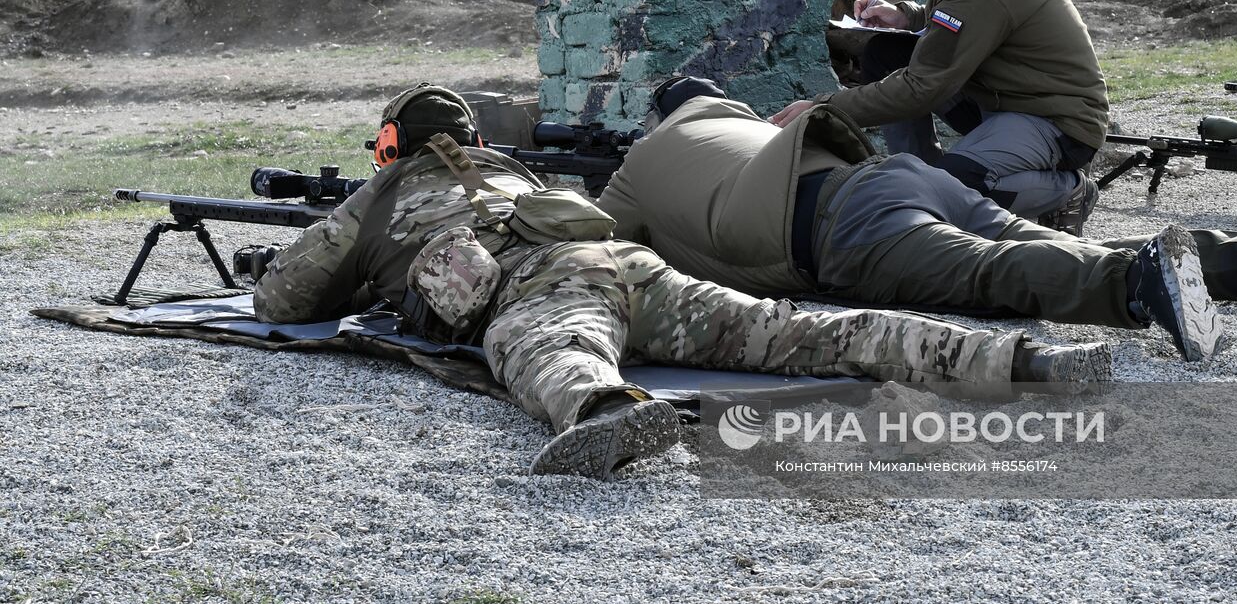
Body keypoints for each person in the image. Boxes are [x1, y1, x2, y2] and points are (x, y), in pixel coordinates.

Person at [254, 83, 1112, 480]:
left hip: (543, 284)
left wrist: (359, 251)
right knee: (797, 331)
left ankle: (609, 412)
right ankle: (1016, 359)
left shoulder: (386, 192)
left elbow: (283, 301)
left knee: (552, 353)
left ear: (393, 148)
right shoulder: (514, 173)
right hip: (626, 265)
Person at [597, 79, 1237, 365]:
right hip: (894, 177)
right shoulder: (739, 122)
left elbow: (585, 237)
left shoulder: (641, 164)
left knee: (992, 275)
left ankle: (1140, 287)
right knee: (1054, 243)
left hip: (847, 235)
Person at [770, 0, 1110, 234]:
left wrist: (822, 108)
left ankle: (1069, 192)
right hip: (1007, 94)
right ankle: (922, 183)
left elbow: (922, 87)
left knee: (958, 185)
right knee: (885, 55)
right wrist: (906, 16)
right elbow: (963, 22)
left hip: (1058, 119)